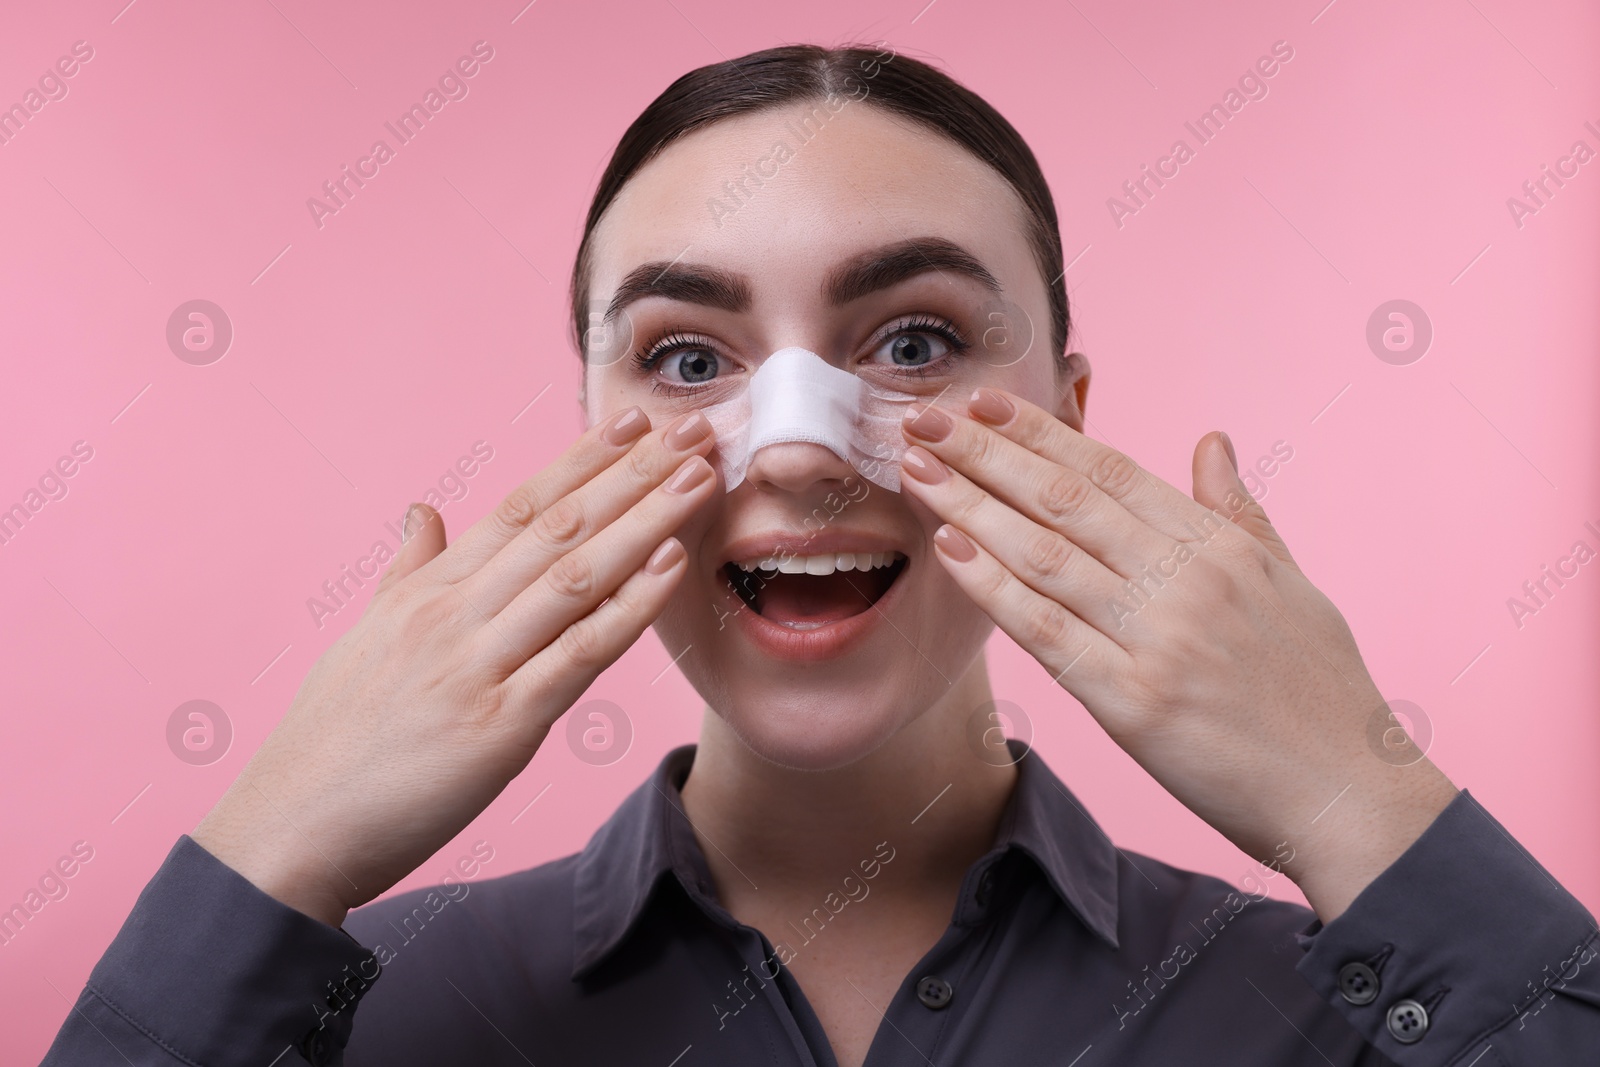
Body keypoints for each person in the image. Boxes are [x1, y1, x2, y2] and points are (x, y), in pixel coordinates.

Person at [43, 42, 1598, 1067]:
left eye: (915, 339)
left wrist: (1365, 797)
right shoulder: (375, 1010)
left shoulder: (1343, 1011)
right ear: (589, 433)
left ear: (1067, 417)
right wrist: (264, 859)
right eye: (688, 357)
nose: (794, 449)